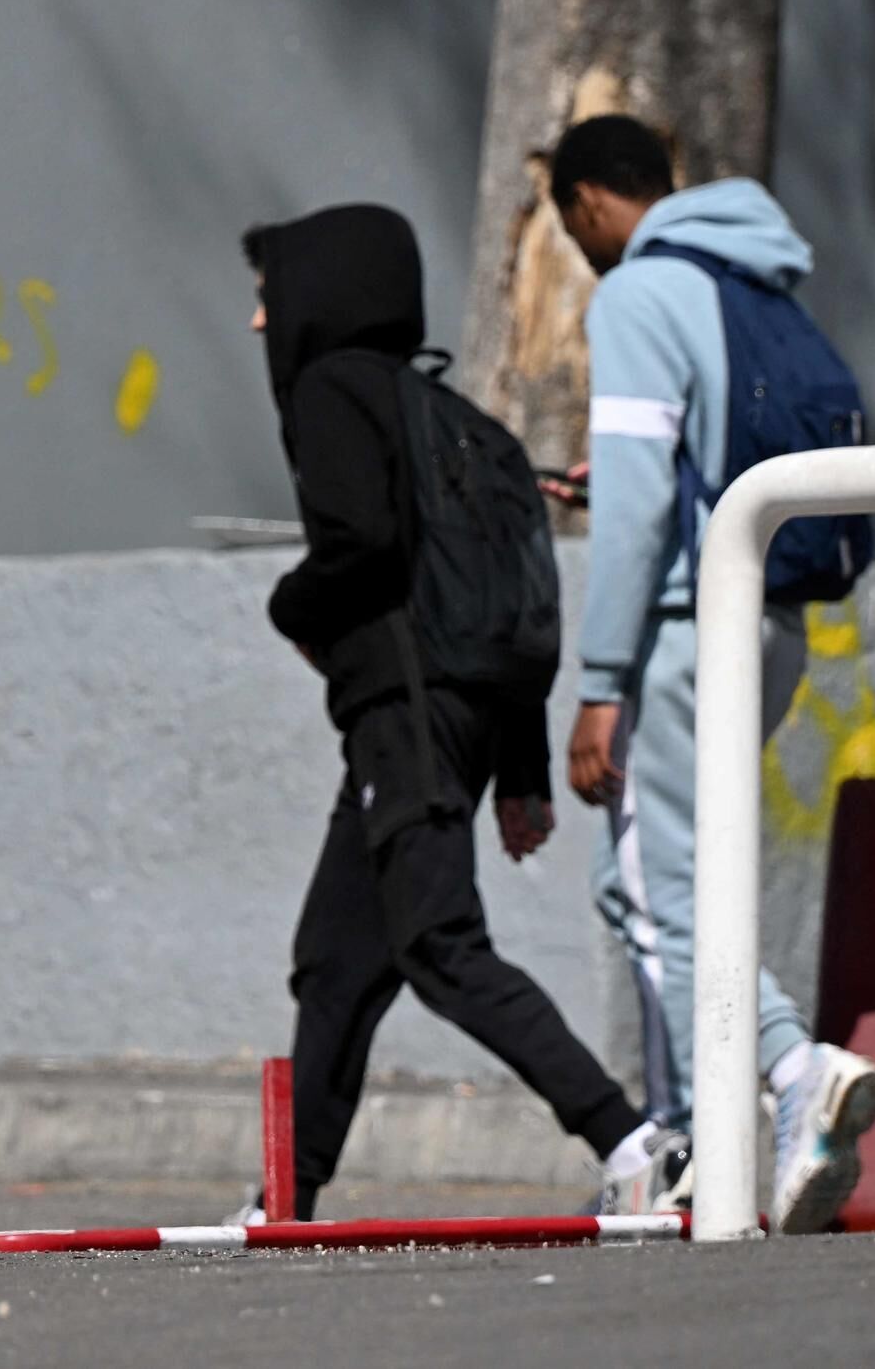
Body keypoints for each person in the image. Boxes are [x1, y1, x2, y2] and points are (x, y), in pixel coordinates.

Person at [243, 204, 690, 1222]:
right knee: (336, 958)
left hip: (402, 716)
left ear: (318, 293)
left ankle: (626, 1140)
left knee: (439, 942)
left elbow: (357, 547)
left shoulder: (332, 392)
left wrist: (287, 606)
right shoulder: (459, 421)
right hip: (447, 716)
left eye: (268, 297)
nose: (261, 324)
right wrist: (520, 768)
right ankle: (285, 1197)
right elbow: (507, 604)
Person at [547, 113, 875, 1235]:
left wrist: (600, 678)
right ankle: (703, 1133)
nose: (576, 239)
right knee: (688, 876)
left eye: (568, 218)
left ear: (593, 198)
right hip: (773, 617)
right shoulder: (758, 280)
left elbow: (645, 497)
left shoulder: (638, 293)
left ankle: (792, 1075)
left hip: (688, 630)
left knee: (648, 887)